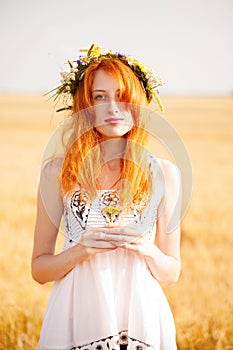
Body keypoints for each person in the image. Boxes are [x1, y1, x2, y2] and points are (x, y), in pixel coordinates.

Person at [31, 44, 182, 350]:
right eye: (100, 97)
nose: (113, 108)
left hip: (141, 313)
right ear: (85, 106)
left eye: (123, 97)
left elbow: (172, 272)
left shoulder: (164, 174)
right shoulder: (57, 173)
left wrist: (146, 249)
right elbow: (39, 269)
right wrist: (79, 251)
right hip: (75, 314)